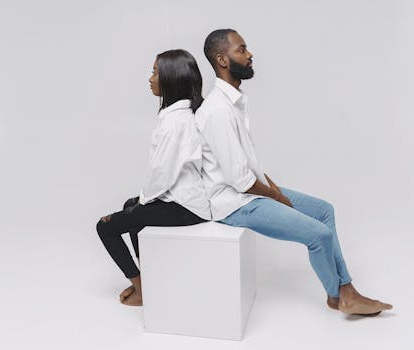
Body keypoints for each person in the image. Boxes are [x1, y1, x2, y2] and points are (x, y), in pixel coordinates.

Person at [195, 29, 393, 316]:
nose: (249, 55)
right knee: (319, 235)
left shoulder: (233, 103)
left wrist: (274, 189)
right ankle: (337, 295)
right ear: (221, 60)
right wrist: (275, 196)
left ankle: (346, 291)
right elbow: (239, 180)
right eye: (242, 50)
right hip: (233, 204)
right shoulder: (218, 111)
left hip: (252, 191)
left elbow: (250, 166)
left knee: (324, 210)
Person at [96, 49, 210, 307]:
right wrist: (137, 206)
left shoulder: (176, 122)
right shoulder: (182, 115)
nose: (150, 78)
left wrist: (141, 205)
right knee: (129, 205)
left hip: (186, 208)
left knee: (105, 227)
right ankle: (148, 280)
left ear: (171, 78)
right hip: (185, 201)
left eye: (156, 72)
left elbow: (162, 175)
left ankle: (142, 289)